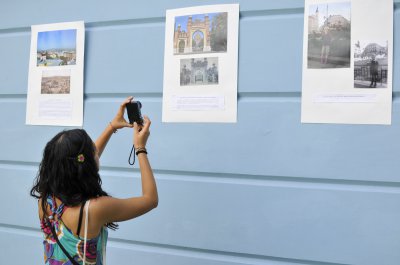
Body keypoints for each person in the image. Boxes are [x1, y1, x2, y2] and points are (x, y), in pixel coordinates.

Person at [30, 96, 158, 265]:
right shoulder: (94, 209)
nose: (97, 153)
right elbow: (150, 200)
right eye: (94, 152)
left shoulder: (45, 200)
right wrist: (140, 148)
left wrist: (112, 126)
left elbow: (80, 161)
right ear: (86, 163)